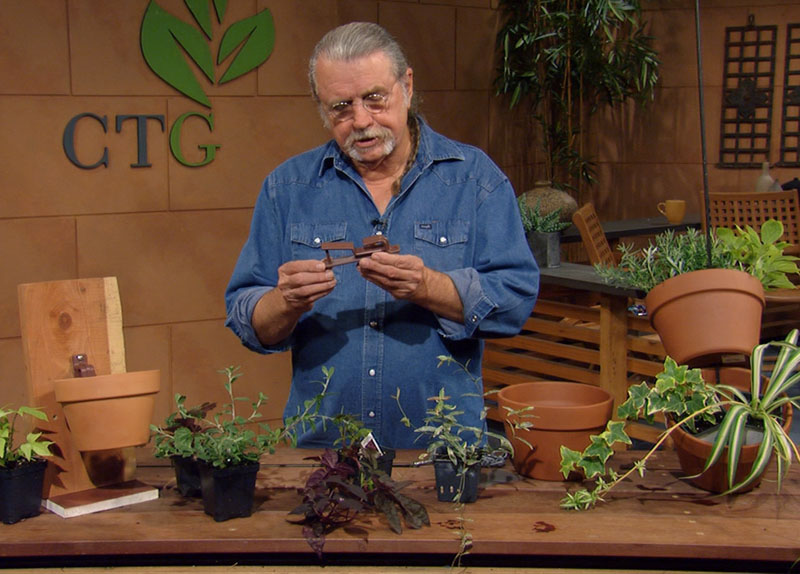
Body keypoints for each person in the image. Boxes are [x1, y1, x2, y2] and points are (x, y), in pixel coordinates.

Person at [225, 22, 539, 449]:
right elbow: (247, 320)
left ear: (406, 85)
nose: (361, 121)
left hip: (444, 455)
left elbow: (516, 300)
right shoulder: (287, 189)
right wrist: (286, 302)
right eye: (340, 107)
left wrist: (430, 287)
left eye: (375, 99)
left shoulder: (474, 180)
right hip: (324, 458)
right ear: (322, 107)